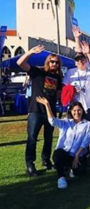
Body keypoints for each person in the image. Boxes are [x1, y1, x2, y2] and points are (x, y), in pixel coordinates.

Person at [17, 45, 63, 176]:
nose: (54, 64)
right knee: (32, 137)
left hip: (50, 111)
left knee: (48, 138)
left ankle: (46, 160)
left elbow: (58, 95)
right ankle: (30, 164)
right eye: (52, 61)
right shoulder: (38, 72)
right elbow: (20, 63)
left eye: (57, 62)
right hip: (35, 111)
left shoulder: (58, 77)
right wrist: (31, 52)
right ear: (47, 62)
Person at [36, 97, 90, 189]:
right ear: (70, 111)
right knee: (57, 155)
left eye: (79, 110)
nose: (77, 113)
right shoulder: (66, 122)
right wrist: (47, 105)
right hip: (64, 152)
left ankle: (69, 168)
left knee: (79, 172)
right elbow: (52, 121)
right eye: (74, 110)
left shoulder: (88, 125)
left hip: (78, 155)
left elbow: (86, 141)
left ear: (83, 111)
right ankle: (61, 178)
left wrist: (77, 155)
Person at [63, 41, 90, 122]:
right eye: (77, 60)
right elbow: (64, 86)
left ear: (86, 61)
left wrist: (89, 53)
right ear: (75, 62)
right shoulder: (71, 72)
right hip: (74, 106)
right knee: (72, 130)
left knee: (88, 130)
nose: (80, 62)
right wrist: (72, 89)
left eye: (82, 59)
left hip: (88, 106)